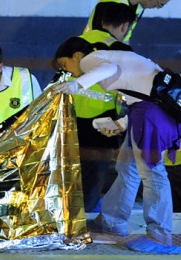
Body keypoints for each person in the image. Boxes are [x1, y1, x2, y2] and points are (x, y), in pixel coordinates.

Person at [52, 36, 181, 253]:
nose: (69, 72)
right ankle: (111, 223)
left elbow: (109, 69)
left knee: (152, 174)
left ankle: (160, 234)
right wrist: (120, 124)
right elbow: (139, 96)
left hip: (151, 116)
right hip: (148, 113)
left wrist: (77, 84)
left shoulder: (91, 59)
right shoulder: (112, 59)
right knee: (127, 167)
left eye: (65, 65)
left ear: (76, 56)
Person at [60, 3, 135, 212]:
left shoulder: (76, 42)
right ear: (125, 26)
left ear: (101, 20)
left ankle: (66, 214)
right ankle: (86, 218)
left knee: (69, 170)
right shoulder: (122, 50)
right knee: (95, 173)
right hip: (102, 121)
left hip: (71, 116)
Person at [84, 0, 170, 43]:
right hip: (90, 53)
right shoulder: (113, 4)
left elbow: (125, 38)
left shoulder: (138, 8)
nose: (157, 8)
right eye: (160, 4)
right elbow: (101, 42)